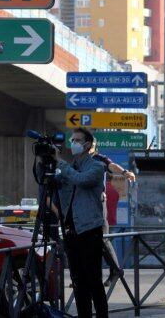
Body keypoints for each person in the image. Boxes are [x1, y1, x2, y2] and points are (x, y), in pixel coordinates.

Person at [54, 127, 108, 318]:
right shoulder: (68, 168)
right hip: (71, 232)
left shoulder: (96, 166)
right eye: (72, 140)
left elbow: (82, 180)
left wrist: (60, 163)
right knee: (78, 281)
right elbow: (53, 185)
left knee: (93, 280)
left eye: (77, 140)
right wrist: (46, 162)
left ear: (87, 145)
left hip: (89, 231)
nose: (73, 144)